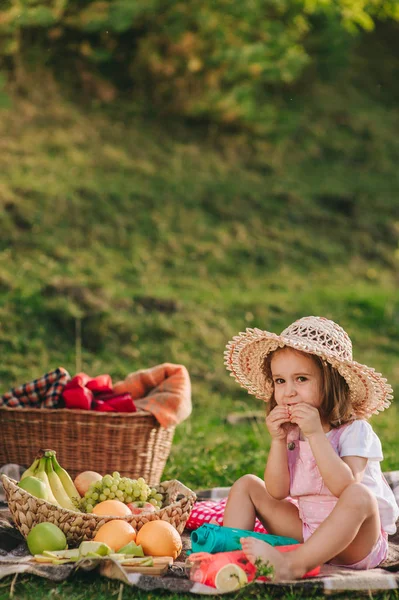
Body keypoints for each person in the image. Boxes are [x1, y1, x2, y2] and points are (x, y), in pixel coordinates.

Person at [223, 316, 398, 581]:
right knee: (247, 484)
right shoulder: (292, 432)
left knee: (360, 496)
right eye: (280, 381)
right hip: (308, 531)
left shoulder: (355, 431)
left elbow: (344, 486)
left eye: (301, 379)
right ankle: (230, 560)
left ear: (332, 383)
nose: (288, 392)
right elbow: (278, 492)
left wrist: (316, 434)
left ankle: (293, 564)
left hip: (355, 545)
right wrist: (278, 441)